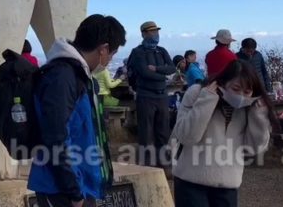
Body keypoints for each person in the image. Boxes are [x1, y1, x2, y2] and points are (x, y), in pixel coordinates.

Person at [28, 14, 125, 207]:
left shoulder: (78, 75)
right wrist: (74, 193)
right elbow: (56, 137)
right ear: (103, 50)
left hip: (78, 186)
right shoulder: (62, 77)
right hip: (61, 190)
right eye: (112, 54)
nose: (109, 60)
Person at [171, 60, 273, 207]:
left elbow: (253, 149)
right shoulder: (197, 93)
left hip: (227, 183)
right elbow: (187, 136)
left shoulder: (249, 106)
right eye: (236, 88)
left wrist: (259, 117)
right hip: (190, 180)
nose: (241, 96)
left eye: (247, 92)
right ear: (224, 82)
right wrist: (207, 100)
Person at [126, 21, 175, 167]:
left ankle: (164, 163)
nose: (156, 34)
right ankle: (147, 165)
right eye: (152, 32)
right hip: (146, 95)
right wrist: (163, 76)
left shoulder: (161, 50)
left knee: (163, 131)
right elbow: (144, 72)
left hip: (162, 96)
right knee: (146, 133)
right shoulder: (137, 52)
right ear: (144, 34)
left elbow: (172, 68)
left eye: (157, 31)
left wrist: (157, 69)